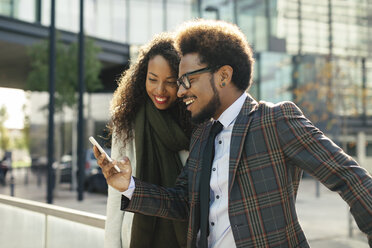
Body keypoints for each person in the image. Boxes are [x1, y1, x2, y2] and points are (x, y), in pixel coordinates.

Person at [95, 20, 372, 248]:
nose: (180, 92)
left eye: (186, 80)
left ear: (223, 76)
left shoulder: (274, 121)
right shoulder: (202, 136)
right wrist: (128, 186)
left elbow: (348, 177)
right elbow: (183, 202)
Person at [103, 32, 193, 248]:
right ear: (143, 76)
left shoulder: (194, 118)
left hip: (186, 233)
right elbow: (116, 196)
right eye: (152, 79)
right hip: (136, 234)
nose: (159, 90)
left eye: (170, 82)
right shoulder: (127, 118)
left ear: (182, 83)